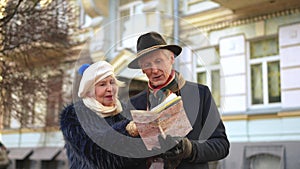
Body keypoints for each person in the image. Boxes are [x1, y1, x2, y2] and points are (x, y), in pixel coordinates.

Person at [126, 32, 230, 169]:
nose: (154, 70)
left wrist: (190, 149)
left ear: (171, 58)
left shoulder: (200, 94)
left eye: (158, 61)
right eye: (147, 65)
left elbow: (221, 145)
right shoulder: (134, 104)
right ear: (142, 70)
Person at [60, 61, 145, 169]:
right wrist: (127, 129)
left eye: (112, 82)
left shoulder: (124, 111)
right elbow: (97, 154)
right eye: (102, 84)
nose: (110, 88)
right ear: (88, 91)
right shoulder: (74, 115)